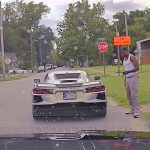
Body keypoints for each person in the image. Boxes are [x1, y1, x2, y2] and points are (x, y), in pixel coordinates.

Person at [120, 47, 140, 118]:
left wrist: (128, 72)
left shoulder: (131, 57)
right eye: (121, 53)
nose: (122, 54)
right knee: (128, 95)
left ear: (126, 51)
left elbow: (137, 67)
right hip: (128, 78)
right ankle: (132, 109)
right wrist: (125, 79)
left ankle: (136, 111)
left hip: (133, 77)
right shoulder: (124, 59)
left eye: (122, 52)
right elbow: (126, 69)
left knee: (134, 95)